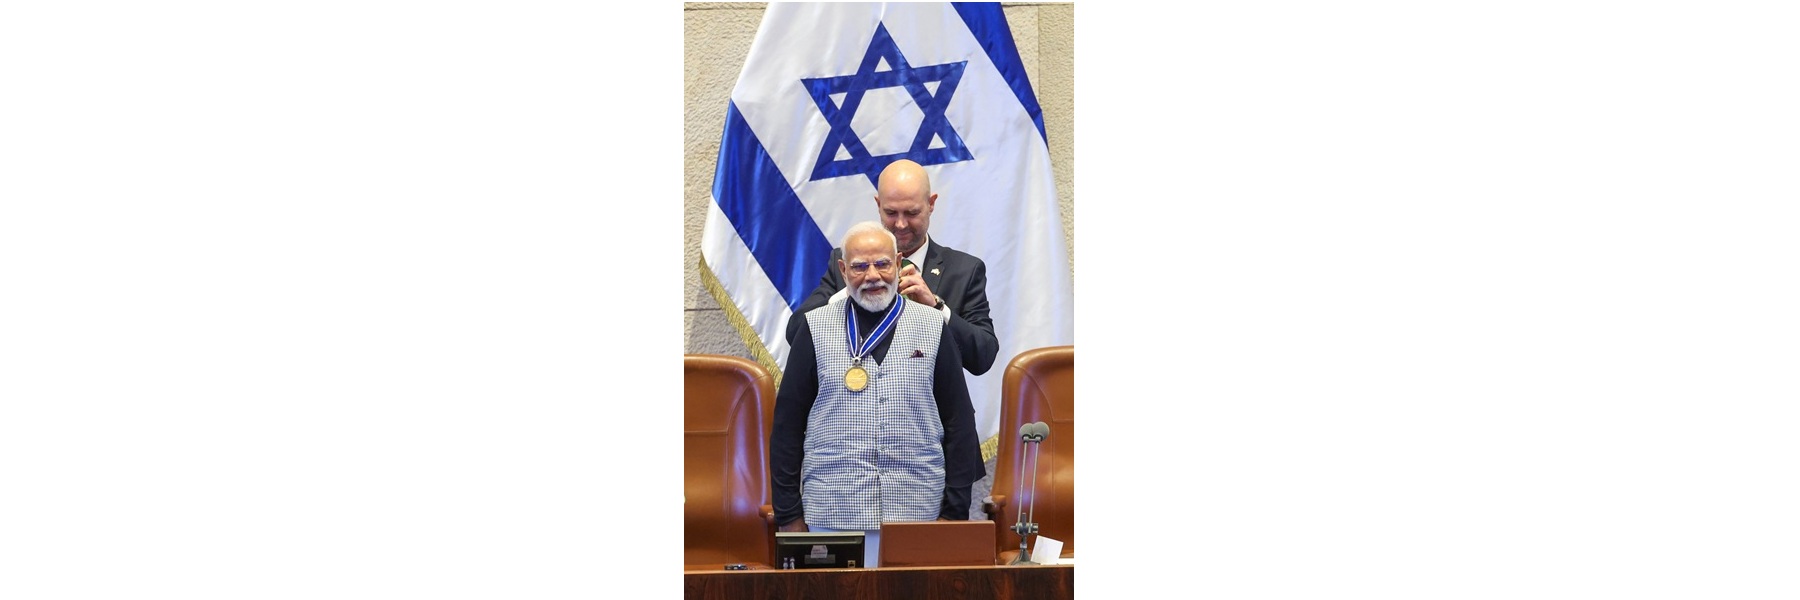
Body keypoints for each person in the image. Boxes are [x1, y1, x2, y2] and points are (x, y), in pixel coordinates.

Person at [769, 221, 984, 568]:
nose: (873, 275)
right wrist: (789, 516)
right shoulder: (814, 328)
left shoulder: (932, 326)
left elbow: (959, 424)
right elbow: (786, 430)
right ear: (842, 270)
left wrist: (953, 514)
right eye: (859, 266)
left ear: (899, 264)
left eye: (883, 264)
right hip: (832, 515)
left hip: (918, 514)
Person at [785, 159, 999, 378]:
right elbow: (796, 333)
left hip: (931, 408)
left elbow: (983, 357)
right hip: (855, 403)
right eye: (891, 213)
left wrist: (937, 307)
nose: (901, 224)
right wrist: (852, 287)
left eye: (912, 213)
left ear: (931, 204)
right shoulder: (847, 262)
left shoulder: (964, 270)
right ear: (878, 205)